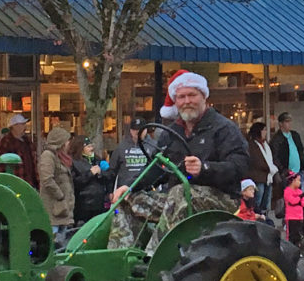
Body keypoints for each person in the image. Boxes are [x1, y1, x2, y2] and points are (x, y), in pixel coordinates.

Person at [108, 70, 249, 253]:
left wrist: (205, 168)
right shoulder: (171, 133)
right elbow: (157, 168)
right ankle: (122, 255)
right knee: (126, 201)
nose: (186, 101)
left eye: (192, 95)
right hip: (178, 200)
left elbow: (240, 165)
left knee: (180, 192)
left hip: (222, 199)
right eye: (181, 97)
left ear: (204, 97)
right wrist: (130, 186)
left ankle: (153, 257)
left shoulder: (223, 128)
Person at [38, 127, 74, 247]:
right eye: (67, 141)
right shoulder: (48, 156)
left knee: (62, 241)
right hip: (54, 208)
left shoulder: (61, 156)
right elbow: (47, 179)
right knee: (53, 242)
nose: (69, 143)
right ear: (61, 142)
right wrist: (60, 195)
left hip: (63, 209)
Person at [69, 135, 109, 224]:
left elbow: (108, 176)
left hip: (99, 201)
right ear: (81, 148)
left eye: (91, 146)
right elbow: (74, 182)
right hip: (83, 204)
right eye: (88, 146)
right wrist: (90, 174)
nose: (91, 148)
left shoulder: (97, 160)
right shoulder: (74, 162)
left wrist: (101, 173)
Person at [108, 116, 155, 190]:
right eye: (134, 129)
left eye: (140, 129)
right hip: (125, 191)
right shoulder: (121, 147)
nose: (137, 132)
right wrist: (109, 191)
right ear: (130, 130)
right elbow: (112, 171)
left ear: (146, 130)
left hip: (148, 191)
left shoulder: (154, 146)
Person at [0, 115, 38, 188]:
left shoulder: (27, 141)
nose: (25, 127)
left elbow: (33, 160)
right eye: (22, 124)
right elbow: (0, 164)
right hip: (15, 180)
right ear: (14, 126)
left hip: (29, 181)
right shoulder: (6, 142)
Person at [247, 121, 278, 220]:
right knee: (258, 201)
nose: (265, 132)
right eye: (264, 130)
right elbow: (257, 161)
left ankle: (265, 218)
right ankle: (257, 217)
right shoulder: (252, 145)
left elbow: (270, 159)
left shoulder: (266, 144)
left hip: (268, 177)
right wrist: (270, 167)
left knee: (266, 201)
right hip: (258, 177)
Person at [270, 112, 304, 180]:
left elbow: (301, 150)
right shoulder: (276, 139)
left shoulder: (295, 135)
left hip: (299, 171)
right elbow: (274, 157)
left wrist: (302, 164)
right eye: (287, 121)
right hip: (287, 174)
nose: (289, 124)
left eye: (290, 121)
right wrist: (283, 169)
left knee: (300, 190)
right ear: (280, 124)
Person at [282, 170, 304, 247]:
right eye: (298, 180)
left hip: (299, 216)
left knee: (298, 234)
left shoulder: (299, 191)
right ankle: (289, 247)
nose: (300, 182)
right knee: (291, 234)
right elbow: (292, 201)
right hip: (291, 217)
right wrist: (299, 198)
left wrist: (299, 199)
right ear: (292, 181)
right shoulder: (287, 191)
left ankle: (297, 249)